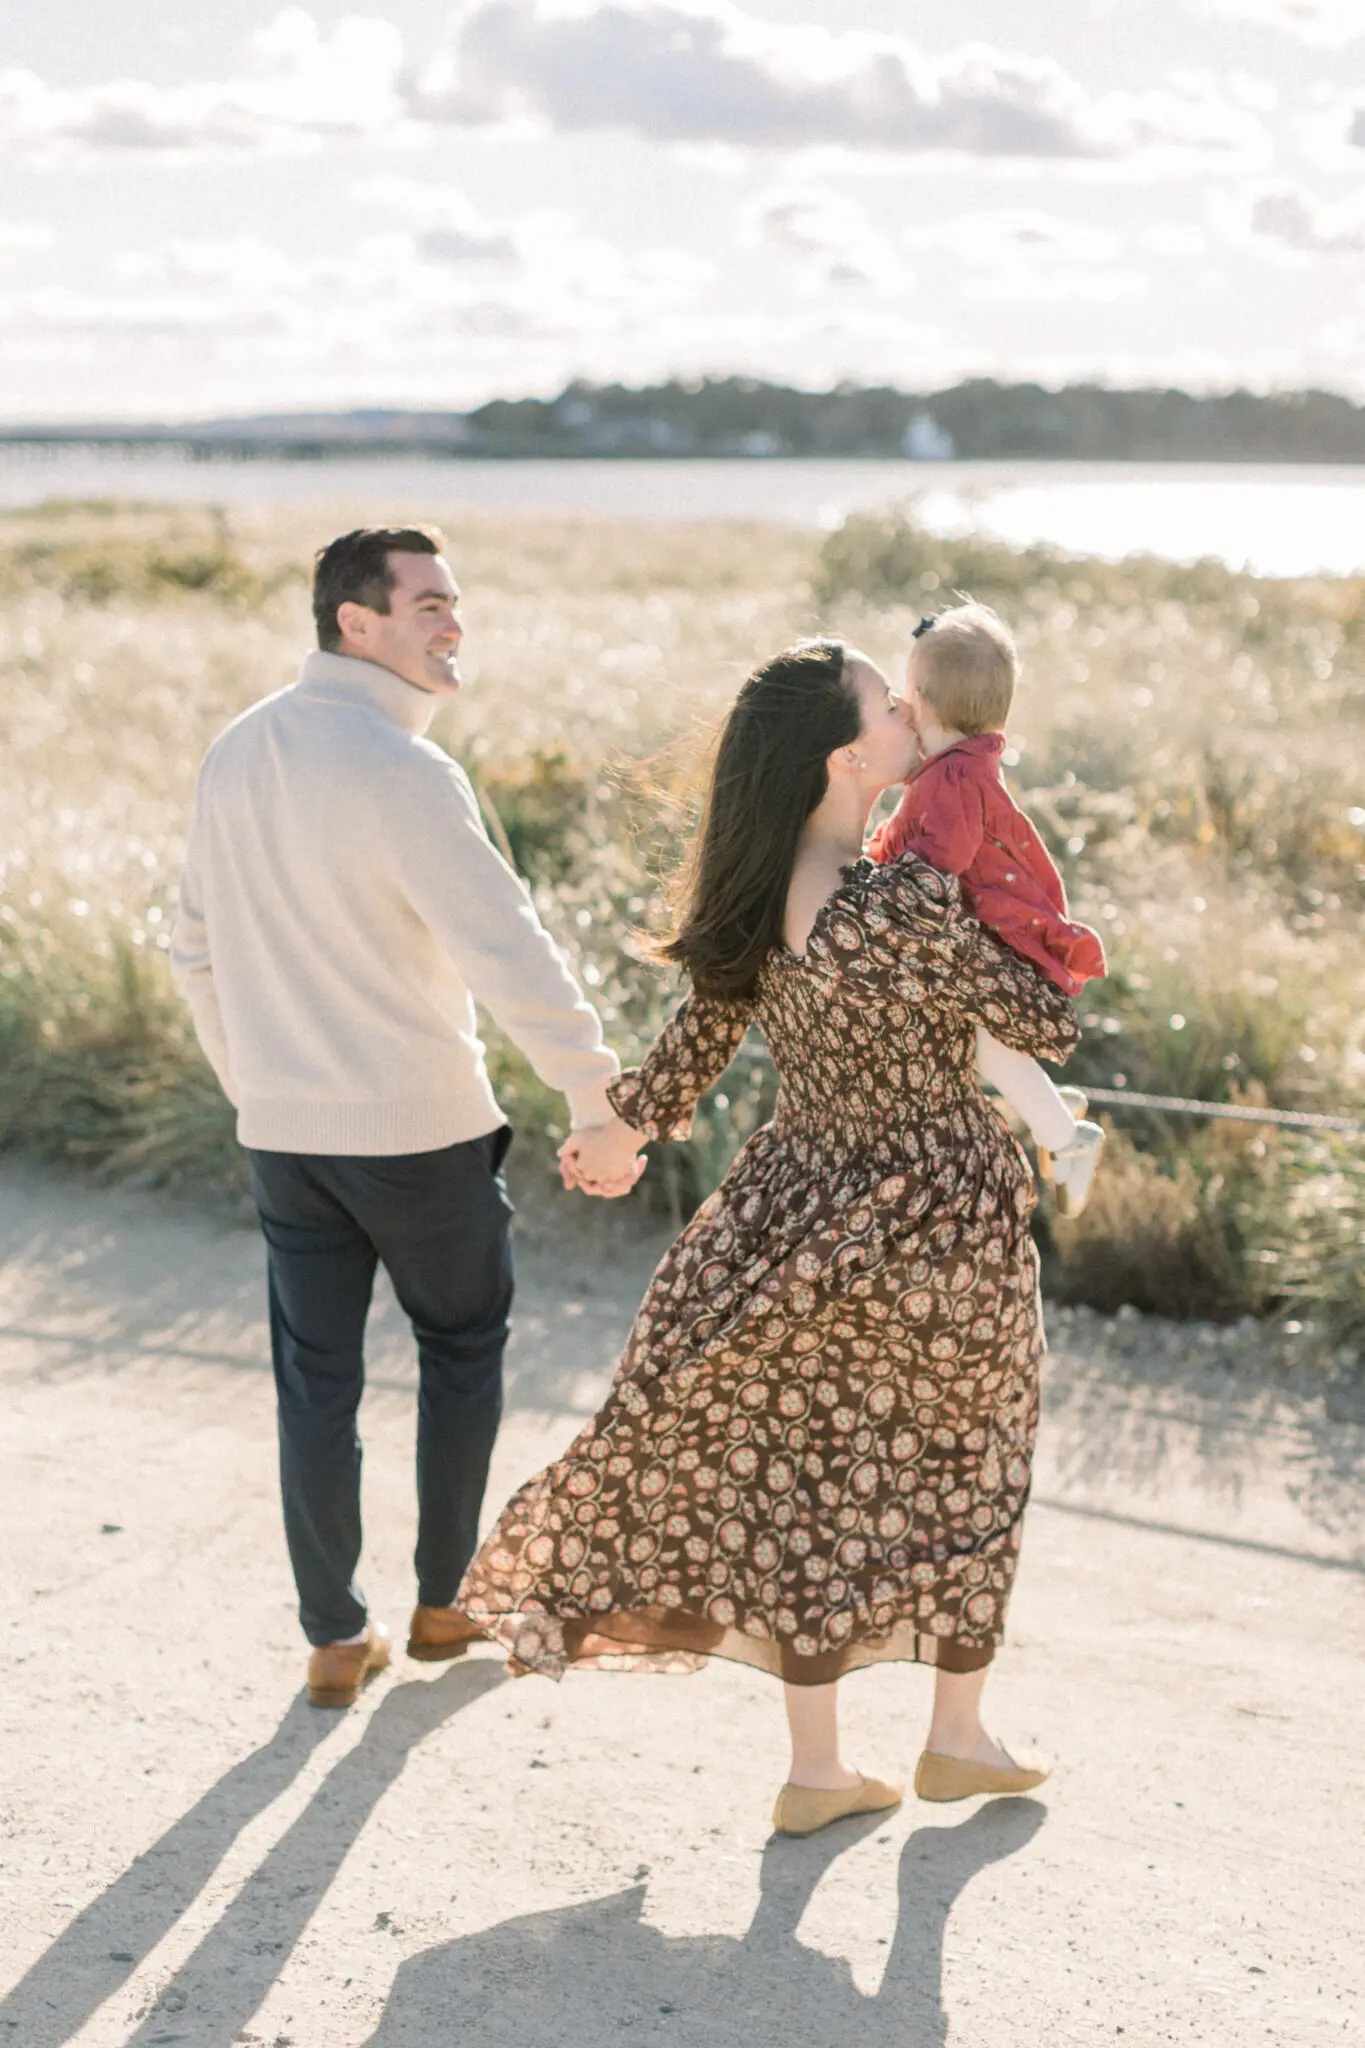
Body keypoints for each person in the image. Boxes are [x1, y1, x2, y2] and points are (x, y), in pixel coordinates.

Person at [456, 638, 1080, 1836]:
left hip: (797, 1197)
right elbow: (1038, 1019)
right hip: (936, 1202)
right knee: (969, 1463)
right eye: (891, 705)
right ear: (851, 755)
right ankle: (954, 1735)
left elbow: (696, 1040)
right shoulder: (895, 901)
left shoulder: (771, 886)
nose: (914, 712)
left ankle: (818, 1770)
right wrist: (1011, 908)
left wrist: (621, 1128)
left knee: (805, 1477)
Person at [170, 525, 623, 1710]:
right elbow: (509, 952)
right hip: (417, 1135)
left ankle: (333, 1634)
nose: (452, 621)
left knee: (314, 1382)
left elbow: (192, 950)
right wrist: (596, 1091)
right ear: (353, 623)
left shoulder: (238, 748)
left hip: (284, 1135)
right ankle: (441, 1604)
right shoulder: (402, 768)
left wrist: (254, 1081)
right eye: (427, 604)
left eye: (455, 601)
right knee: (461, 1352)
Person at [868, 602, 1106, 1217]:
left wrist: (881, 883)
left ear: (921, 697)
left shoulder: (949, 781)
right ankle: (1053, 1108)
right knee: (984, 1042)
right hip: (994, 927)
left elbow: (937, 862)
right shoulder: (957, 766)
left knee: (989, 1046)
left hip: (997, 932)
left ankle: (1067, 1141)